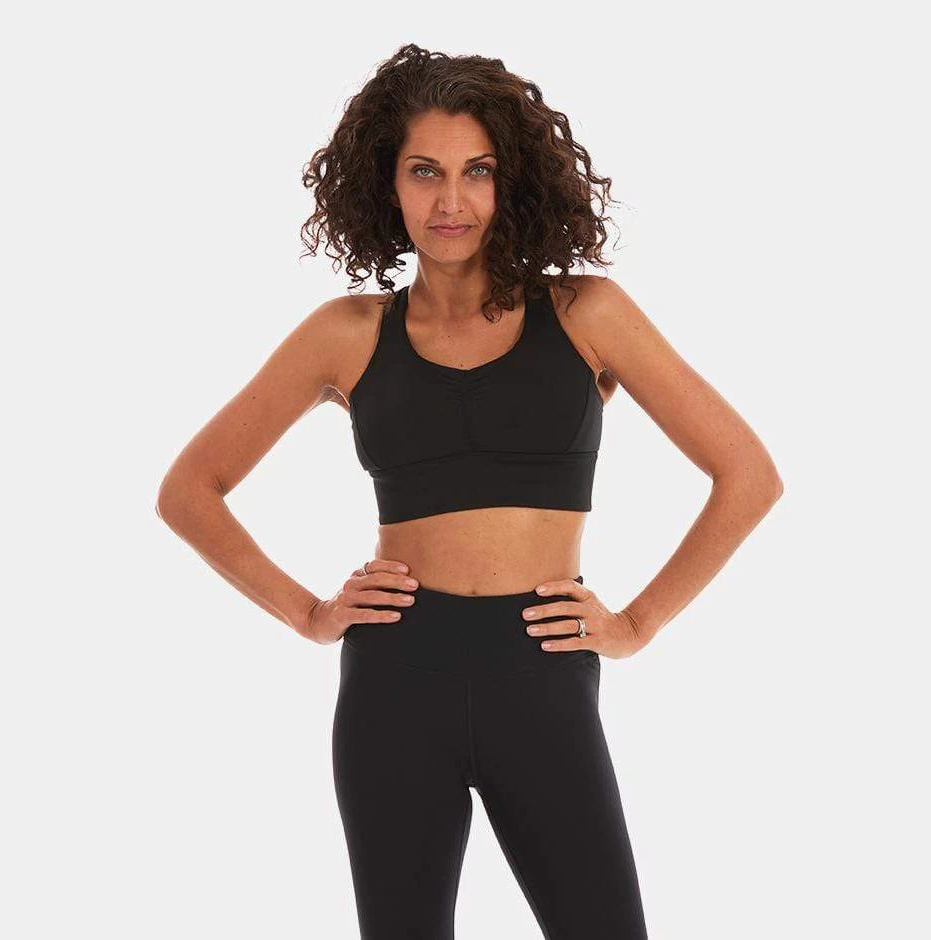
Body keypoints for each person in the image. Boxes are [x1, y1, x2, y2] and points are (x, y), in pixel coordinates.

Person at [156, 43, 783, 940]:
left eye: (476, 171)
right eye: (425, 172)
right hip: (396, 677)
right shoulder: (347, 332)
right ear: (387, 183)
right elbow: (190, 489)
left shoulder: (586, 314)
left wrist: (638, 625)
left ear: (510, 179)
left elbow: (748, 474)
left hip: (542, 664)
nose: (451, 201)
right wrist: (310, 614)